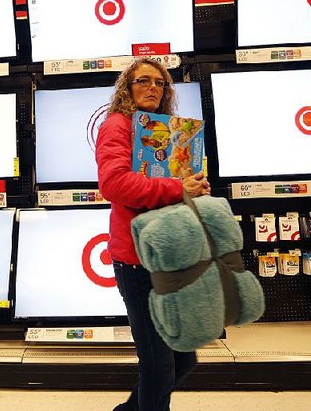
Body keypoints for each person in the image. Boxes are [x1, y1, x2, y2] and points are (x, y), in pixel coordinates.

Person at [95, 57, 211, 411]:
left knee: (184, 360)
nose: (153, 88)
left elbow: (174, 183)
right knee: (159, 368)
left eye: (160, 83)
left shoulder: (169, 129)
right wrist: (179, 188)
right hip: (137, 261)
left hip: (169, 257)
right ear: (127, 89)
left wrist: (196, 188)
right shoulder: (117, 125)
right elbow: (115, 184)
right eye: (143, 81)